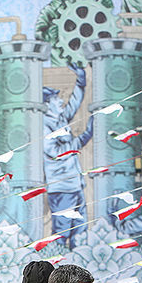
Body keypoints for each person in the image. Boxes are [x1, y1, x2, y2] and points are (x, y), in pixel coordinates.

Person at [43, 67, 92, 247]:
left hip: (75, 186)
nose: (61, 101)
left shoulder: (60, 120)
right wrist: (84, 137)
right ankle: (58, 273)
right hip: (62, 189)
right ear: (47, 104)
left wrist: (81, 80)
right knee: (62, 234)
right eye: (56, 99)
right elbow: (56, 152)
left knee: (80, 233)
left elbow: (74, 103)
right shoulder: (44, 126)